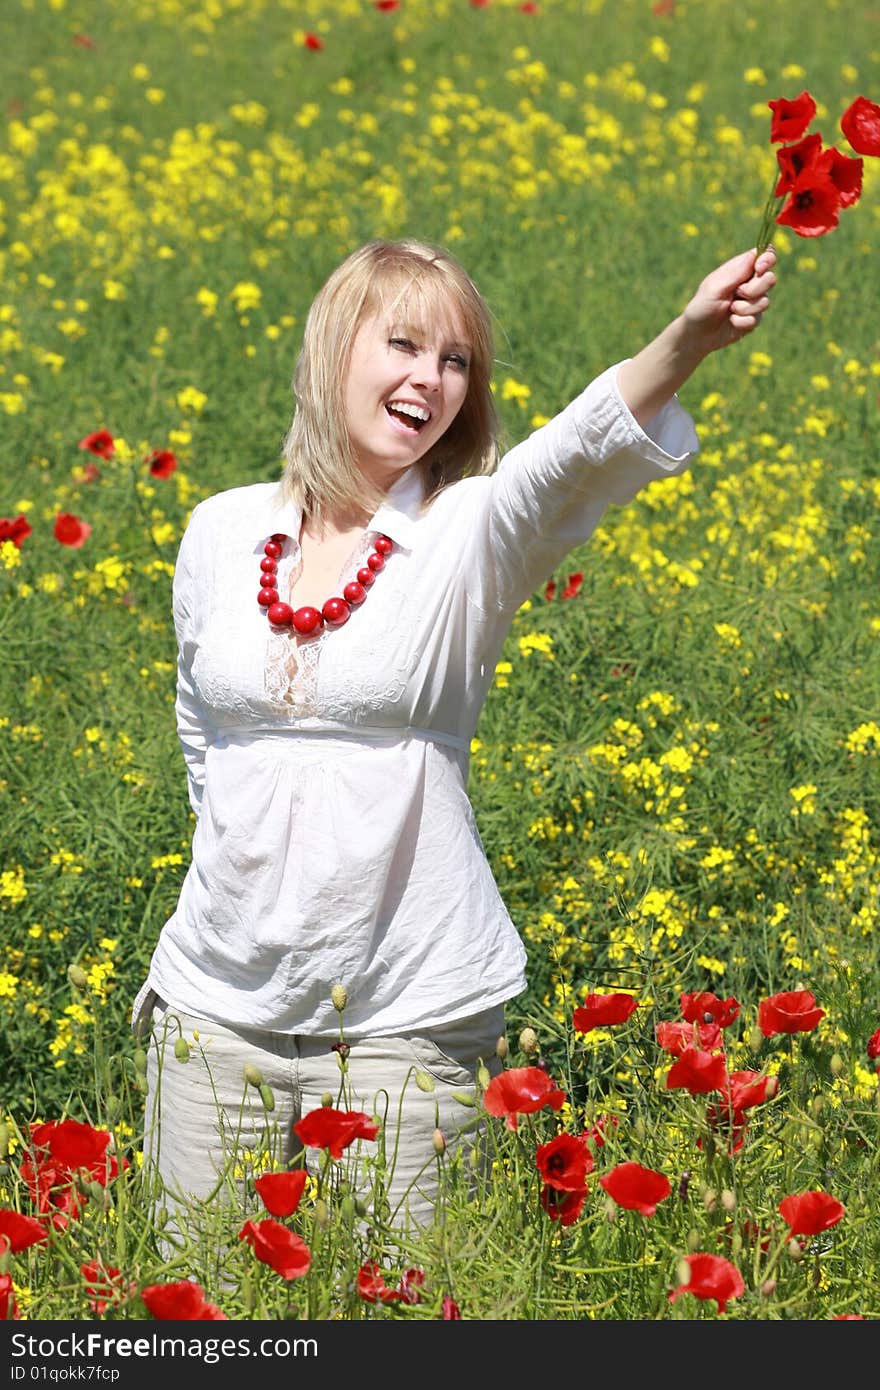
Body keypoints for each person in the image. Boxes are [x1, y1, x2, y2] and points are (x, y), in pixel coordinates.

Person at [132, 237, 777, 1243]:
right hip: (214, 1005)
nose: (429, 379)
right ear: (333, 350)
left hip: (410, 1009)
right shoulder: (221, 531)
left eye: (456, 361)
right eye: (403, 344)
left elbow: (567, 454)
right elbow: (203, 729)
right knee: (198, 1314)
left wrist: (686, 340)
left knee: (397, 1306)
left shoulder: (469, 530)